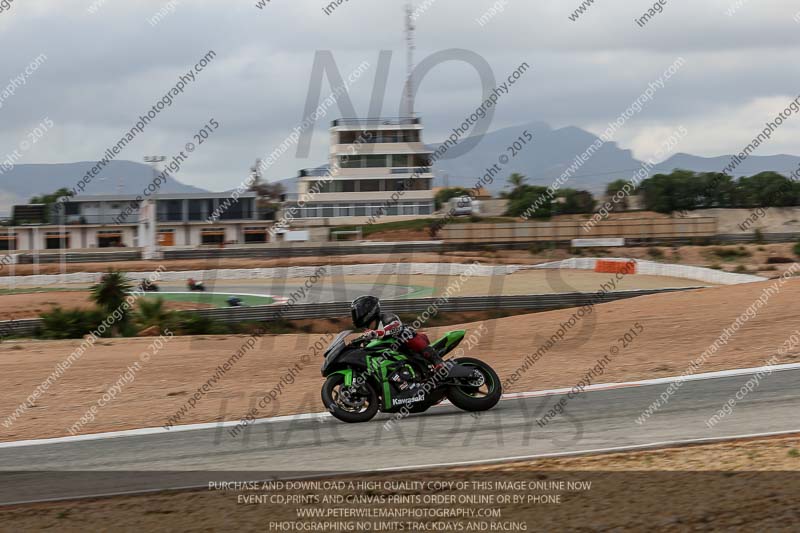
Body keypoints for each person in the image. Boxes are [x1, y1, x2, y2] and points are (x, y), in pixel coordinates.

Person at [350, 295, 443, 375]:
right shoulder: (368, 333)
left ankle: (437, 361)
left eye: (357, 312)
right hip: (393, 361)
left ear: (367, 311)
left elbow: (396, 326)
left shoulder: (387, 317)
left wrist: (377, 333)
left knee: (407, 333)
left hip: (407, 348)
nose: (355, 315)